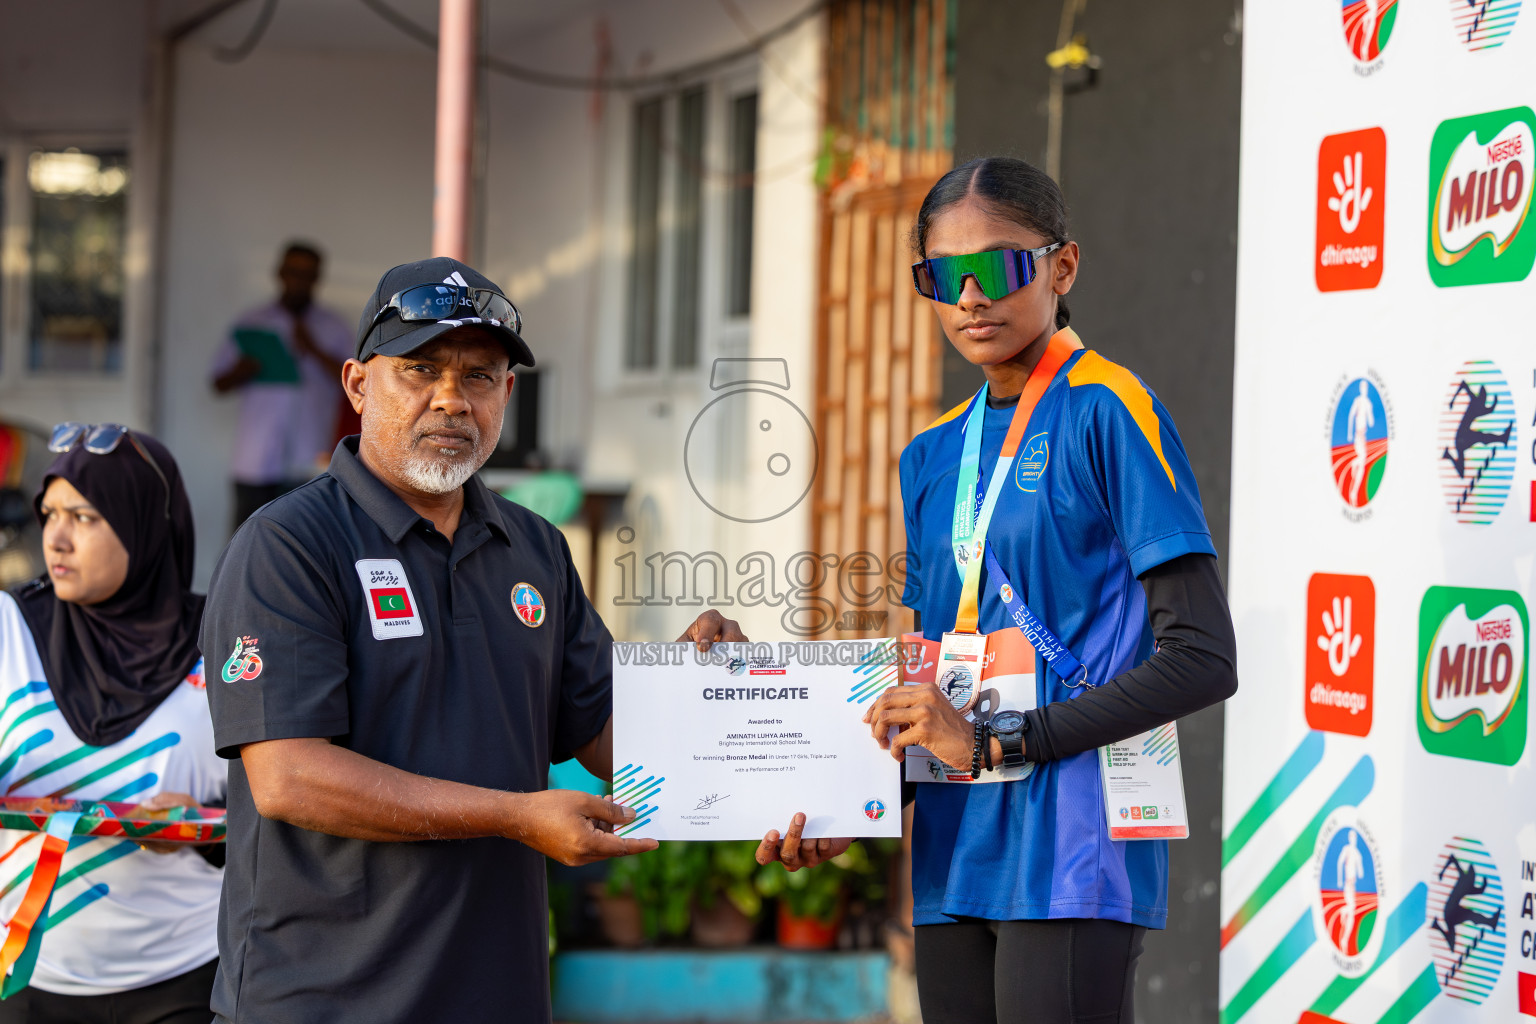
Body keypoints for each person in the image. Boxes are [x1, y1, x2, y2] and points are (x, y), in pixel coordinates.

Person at [757, 157, 1238, 1024]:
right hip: (955, 846)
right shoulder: (931, 454)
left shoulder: (1110, 409)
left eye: (999, 267)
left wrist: (998, 741)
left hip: (1074, 842)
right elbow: (933, 682)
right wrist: (854, 806)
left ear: (1062, 268)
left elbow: (1203, 657)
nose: (972, 297)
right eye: (946, 276)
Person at [200, 257, 744, 1023]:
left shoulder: (535, 549)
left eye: (479, 376)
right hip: (324, 1001)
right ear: (357, 385)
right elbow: (290, 777)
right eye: (420, 370)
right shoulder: (290, 545)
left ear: (507, 395)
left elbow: (607, 733)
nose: (452, 399)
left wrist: (707, 697)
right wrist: (513, 815)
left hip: (498, 993)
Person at [0, 424, 223, 1023]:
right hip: (26, 979)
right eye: (50, 514)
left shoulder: (225, 643)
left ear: (144, 525)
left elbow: (281, 802)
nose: (56, 538)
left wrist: (203, 828)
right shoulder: (9, 628)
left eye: (85, 517)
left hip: (186, 979)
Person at [210, 242, 354, 529]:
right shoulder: (253, 321)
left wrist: (313, 348)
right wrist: (242, 369)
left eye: (307, 274)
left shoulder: (334, 326)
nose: (299, 280)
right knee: (246, 538)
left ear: (317, 278)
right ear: (280, 273)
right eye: (293, 272)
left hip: (309, 457)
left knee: (305, 540)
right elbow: (218, 383)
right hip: (256, 457)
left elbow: (356, 385)